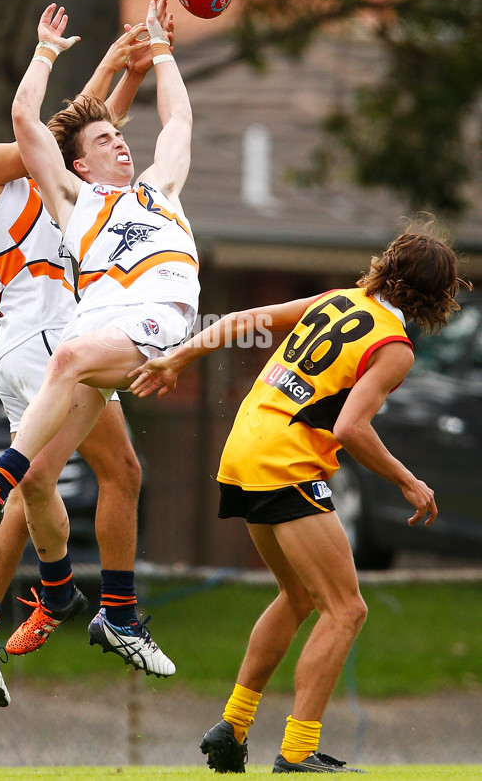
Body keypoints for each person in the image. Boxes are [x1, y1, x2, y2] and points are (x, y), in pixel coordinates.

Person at [0, 8, 173, 706]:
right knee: (116, 473)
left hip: (28, 347)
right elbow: (41, 134)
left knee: (35, 483)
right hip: (51, 343)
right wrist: (99, 59)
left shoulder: (1, 184)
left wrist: (125, 73)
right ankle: (110, 610)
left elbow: (85, 143)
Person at [129, 222, 469, 774]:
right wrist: (407, 480)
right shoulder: (394, 346)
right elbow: (352, 429)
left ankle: (233, 727)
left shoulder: (339, 299)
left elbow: (241, 321)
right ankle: (297, 752)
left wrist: (177, 359)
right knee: (347, 609)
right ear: (437, 298)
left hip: (243, 449)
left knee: (299, 596)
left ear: (388, 265)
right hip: (284, 461)